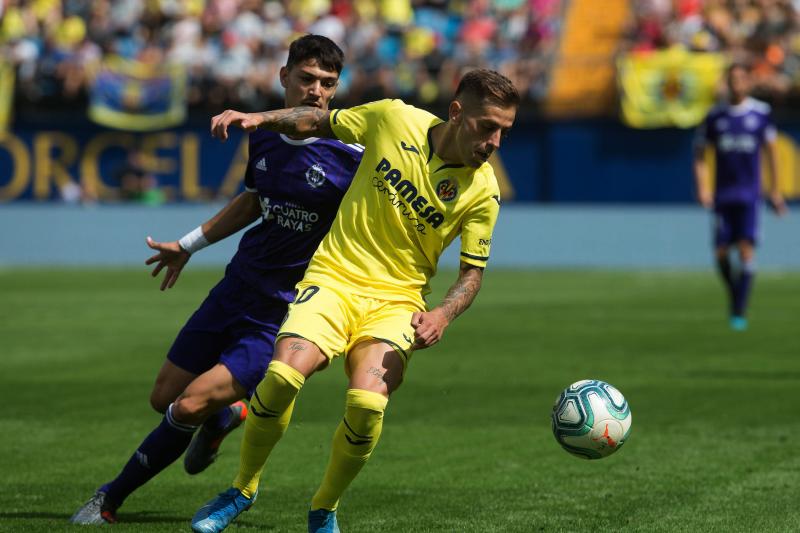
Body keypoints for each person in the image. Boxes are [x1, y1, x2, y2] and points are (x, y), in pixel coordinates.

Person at [191, 69, 519, 533]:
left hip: (397, 300)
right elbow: (315, 120)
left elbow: (472, 275)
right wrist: (259, 118)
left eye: (505, 130)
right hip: (334, 278)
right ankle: (242, 489)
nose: (496, 141)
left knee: (368, 403)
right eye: (488, 126)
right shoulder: (392, 118)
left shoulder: (483, 192)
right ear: (456, 112)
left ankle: (324, 509)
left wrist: (443, 313)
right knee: (283, 374)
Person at [70, 34, 363, 525]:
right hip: (235, 288)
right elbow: (253, 199)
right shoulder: (263, 134)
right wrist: (187, 246)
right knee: (162, 398)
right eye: (308, 79)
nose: (316, 91)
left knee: (186, 407)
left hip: (283, 313)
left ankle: (109, 499)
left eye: (327, 84)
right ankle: (225, 418)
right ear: (283, 77)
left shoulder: (352, 152)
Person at [693, 63, 787, 332]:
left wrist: (776, 190)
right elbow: (699, 154)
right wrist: (703, 187)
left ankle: (738, 310)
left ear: (748, 83)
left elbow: (772, 153)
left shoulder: (760, 113)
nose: (736, 83)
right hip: (723, 195)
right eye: (732, 79)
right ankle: (736, 294)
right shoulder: (715, 116)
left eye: (741, 78)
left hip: (749, 195)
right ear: (727, 82)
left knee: (745, 250)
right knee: (721, 253)